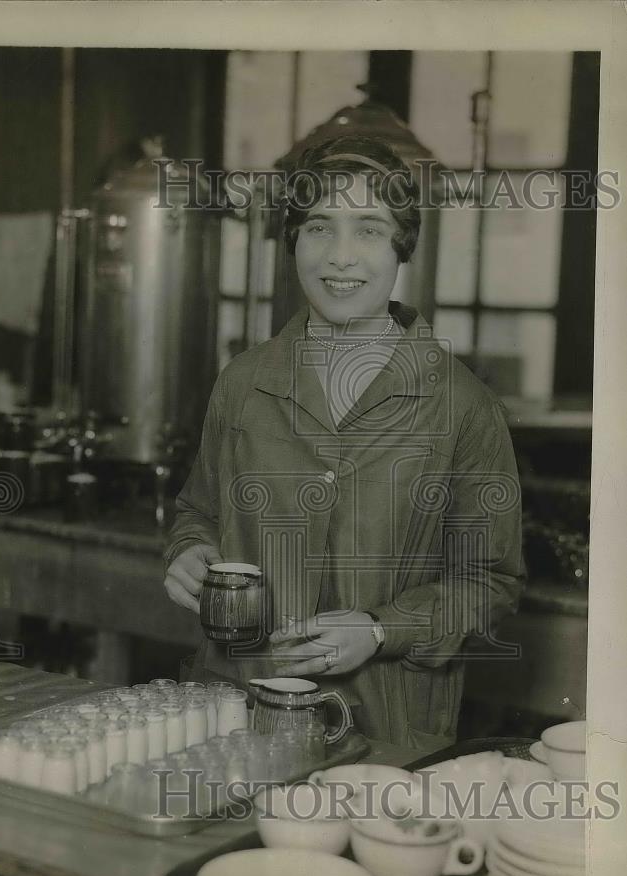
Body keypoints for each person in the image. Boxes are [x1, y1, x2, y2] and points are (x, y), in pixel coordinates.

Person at [164, 135, 525, 751]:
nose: (341, 257)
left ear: (401, 246)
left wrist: (381, 630)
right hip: (242, 714)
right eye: (318, 228)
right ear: (294, 242)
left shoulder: (463, 404)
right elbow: (199, 512)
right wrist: (191, 552)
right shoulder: (244, 382)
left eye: (369, 229)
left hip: (390, 731)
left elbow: (490, 581)